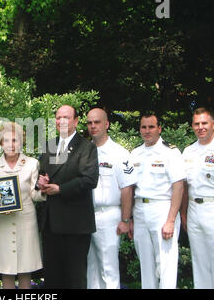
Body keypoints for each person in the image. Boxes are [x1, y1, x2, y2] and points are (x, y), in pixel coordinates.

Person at [37, 105, 99, 289]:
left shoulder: (87, 147)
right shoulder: (49, 145)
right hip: (51, 223)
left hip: (75, 224)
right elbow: (40, 174)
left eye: (66, 117)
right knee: (52, 278)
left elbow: (89, 179)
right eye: (58, 117)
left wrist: (61, 189)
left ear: (76, 121)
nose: (61, 121)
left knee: (74, 279)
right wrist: (40, 182)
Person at [129, 113, 185, 289]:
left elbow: (179, 187)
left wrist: (170, 220)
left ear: (159, 129)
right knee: (146, 264)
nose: (147, 131)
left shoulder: (171, 152)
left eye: (151, 127)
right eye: (144, 127)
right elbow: (130, 188)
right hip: (139, 211)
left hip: (162, 210)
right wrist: (129, 218)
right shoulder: (135, 153)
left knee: (166, 263)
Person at [0, 122, 45, 289]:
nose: (11, 145)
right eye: (6, 140)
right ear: (0, 143)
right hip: (2, 221)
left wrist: (44, 191)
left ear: (22, 142)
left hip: (26, 219)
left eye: (15, 140)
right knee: (7, 268)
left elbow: (34, 194)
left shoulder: (32, 163)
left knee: (26, 269)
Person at [86, 108, 135, 289]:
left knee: (108, 269)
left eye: (97, 122)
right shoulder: (85, 151)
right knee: (91, 268)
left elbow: (127, 189)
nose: (93, 126)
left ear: (106, 124)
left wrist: (125, 219)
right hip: (86, 215)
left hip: (108, 215)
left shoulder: (119, 153)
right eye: (90, 122)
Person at [181, 107, 214, 288]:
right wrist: (184, 214)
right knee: (199, 261)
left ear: (212, 125)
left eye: (204, 123)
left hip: (212, 208)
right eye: (197, 124)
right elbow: (185, 187)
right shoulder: (188, 152)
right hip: (194, 210)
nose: (200, 127)